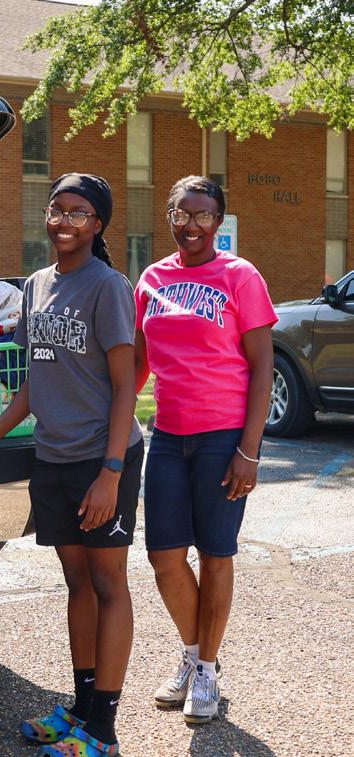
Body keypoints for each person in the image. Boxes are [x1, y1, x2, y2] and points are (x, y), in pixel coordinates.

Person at [0, 173, 142, 757]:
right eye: (57, 209)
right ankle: (80, 707)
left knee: (108, 585)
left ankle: (103, 728)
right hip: (54, 457)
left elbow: (126, 386)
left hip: (102, 457)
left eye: (79, 213)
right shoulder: (36, 284)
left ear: (97, 225)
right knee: (77, 585)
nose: (64, 221)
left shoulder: (109, 287)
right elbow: (33, 380)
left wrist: (111, 473)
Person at [135, 176, 276, 725]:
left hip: (223, 437)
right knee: (164, 557)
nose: (192, 225)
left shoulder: (240, 276)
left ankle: (208, 671)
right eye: (182, 214)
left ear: (218, 221)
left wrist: (250, 450)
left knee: (216, 554)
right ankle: (194, 656)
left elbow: (262, 367)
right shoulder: (152, 279)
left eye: (203, 215)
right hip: (169, 436)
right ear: (169, 216)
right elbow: (139, 364)